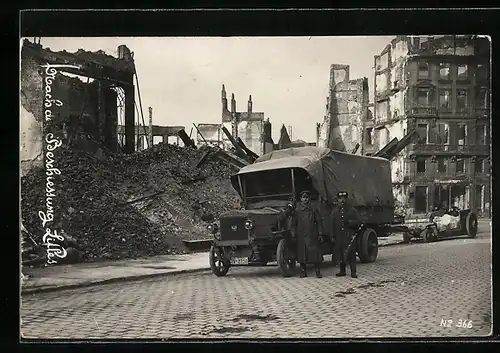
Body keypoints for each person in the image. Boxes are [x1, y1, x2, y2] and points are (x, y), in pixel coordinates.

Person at [295, 191, 324, 278]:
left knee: (315, 254)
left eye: (307, 197)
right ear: (300, 199)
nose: (305, 199)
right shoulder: (297, 211)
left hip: (312, 234)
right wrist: (293, 233)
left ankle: (317, 271)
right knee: (302, 255)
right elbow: (293, 223)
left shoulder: (314, 209)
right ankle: (303, 271)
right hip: (301, 235)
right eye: (303, 197)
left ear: (309, 199)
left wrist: (320, 233)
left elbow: (318, 222)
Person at [332, 191, 360, 278]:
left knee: (351, 254)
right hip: (340, 236)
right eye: (340, 199)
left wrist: (350, 222)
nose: (342, 200)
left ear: (346, 199)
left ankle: (353, 272)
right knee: (341, 254)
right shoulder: (335, 211)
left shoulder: (352, 210)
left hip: (349, 235)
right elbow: (331, 224)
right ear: (338, 200)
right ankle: (342, 271)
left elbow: (358, 222)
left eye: (344, 198)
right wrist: (333, 236)